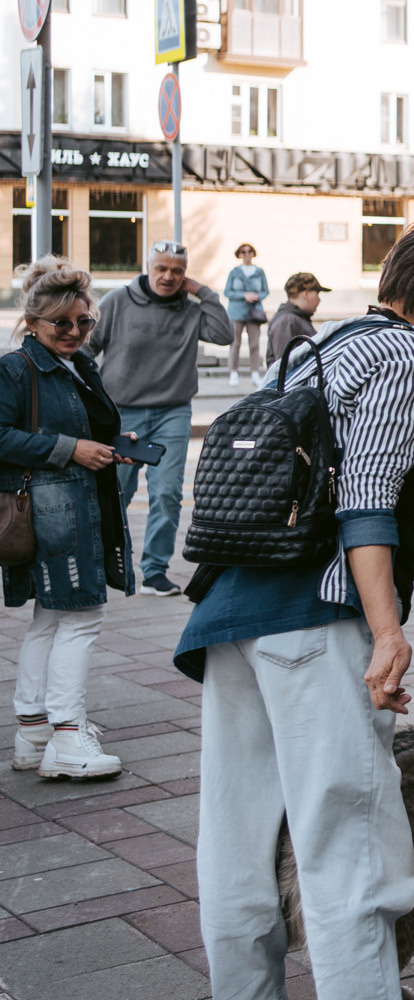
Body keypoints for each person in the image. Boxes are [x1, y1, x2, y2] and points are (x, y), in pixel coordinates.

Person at [177, 219, 414, 1000]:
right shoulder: (403, 354)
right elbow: (365, 502)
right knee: (347, 845)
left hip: (234, 612)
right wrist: (388, 631)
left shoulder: (317, 346)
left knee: (236, 840)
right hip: (314, 621)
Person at [2, 257, 138, 781]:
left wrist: (109, 448)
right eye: (62, 323)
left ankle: (34, 731)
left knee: (53, 616)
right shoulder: (16, 368)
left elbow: (88, 428)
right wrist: (70, 449)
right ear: (33, 322)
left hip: (79, 503)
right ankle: (67, 737)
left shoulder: (81, 366)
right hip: (53, 511)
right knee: (82, 615)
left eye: (84, 322)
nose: (75, 332)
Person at [87, 239, 233, 597]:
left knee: (167, 493)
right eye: (161, 269)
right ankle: (107, 562)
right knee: (117, 490)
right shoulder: (117, 302)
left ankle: (154, 570)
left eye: (177, 272)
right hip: (122, 414)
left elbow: (224, 334)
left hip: (172, 412)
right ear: (147, 268)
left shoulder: (189, 309)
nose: (168, 277)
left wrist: (203, 291)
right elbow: (87, 350)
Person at [224, 243, 269, 389]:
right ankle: (233, 372)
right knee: (235, 343)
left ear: (253, 253)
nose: (247, 254)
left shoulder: (259, 272)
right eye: (243, 252)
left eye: (249, 251)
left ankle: (255, 373)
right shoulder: (234, 272)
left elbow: (265, 291)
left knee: (254, 344)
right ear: (239, 254)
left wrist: (256, 296)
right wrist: (244, 295)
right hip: (237, 312)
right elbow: (227, 292)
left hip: (254, 312)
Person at [266, 271, 329, 370]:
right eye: (317, 293)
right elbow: (284, 368)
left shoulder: (297, 318)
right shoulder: (286, 320)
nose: (319, 300)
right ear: (306, 294)